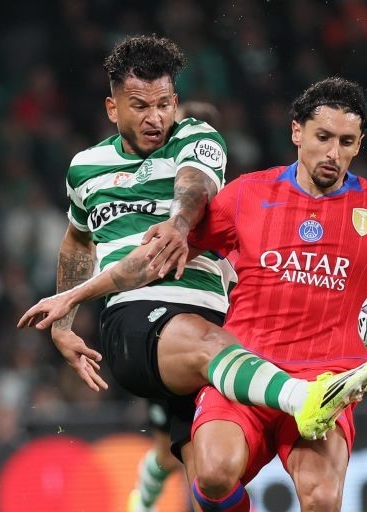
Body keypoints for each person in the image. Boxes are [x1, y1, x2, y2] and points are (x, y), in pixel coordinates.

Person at [25, 77, 367, 511]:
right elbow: (154, 253)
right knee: (212, 476)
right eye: (322, 137)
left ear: (360, 143)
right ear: (297, 132)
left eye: (346, 141)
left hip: (328, 386)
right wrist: (77, 299)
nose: (332, 153)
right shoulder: (247, 197)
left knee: (320, 499)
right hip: (243, 371)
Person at [18, 34, 367, 496]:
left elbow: (193, 187)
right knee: (211, 344)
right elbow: (77, 240)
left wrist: (179, 222)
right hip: (137, 319)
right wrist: (63, 324)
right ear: (113, 109)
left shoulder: (197, 136)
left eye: (165, 103)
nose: (156, 118)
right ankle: (303, 398)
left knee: (211, 482)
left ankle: (156, 485)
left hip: (217, 333)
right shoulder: (84, 168)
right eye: (139, 106)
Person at [127, 101, 224, 512]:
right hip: (169, 329)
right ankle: (144, 498)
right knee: (174, 454)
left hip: (217, 330)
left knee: (210, 462)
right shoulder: (153, 192)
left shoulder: (228, 197)